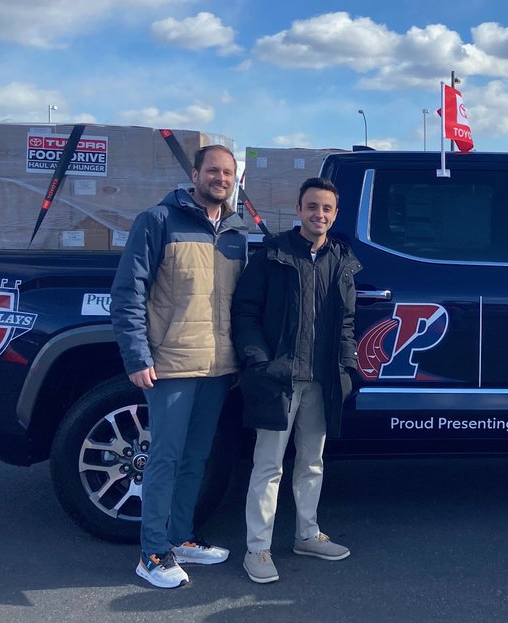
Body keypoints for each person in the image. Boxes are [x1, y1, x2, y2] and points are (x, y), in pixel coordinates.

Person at [111, 144, 246, 589]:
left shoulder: (234, 233)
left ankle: (181, 538)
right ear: (195, 173)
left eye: (227, 173)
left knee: (196, 457)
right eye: (213, 171)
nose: (220, 179)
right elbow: (128, 292)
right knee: (164, 458)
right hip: (171, 362)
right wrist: (137, 356)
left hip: (216, 365)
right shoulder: (158, 221)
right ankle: (151, 554)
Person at [232, 177, 361, 584]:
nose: (318, 214)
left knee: (312, 462)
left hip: (321, 381)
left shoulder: (341, 260)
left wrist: (345, 367)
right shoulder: (273, 254)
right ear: (298, 209)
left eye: (326, 208)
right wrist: (259, 361)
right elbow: (246, 313)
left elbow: (347, 322)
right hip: (280, 379)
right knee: (268, 466)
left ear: (335, 214)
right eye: (311, 207)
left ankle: (307, 534)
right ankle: (258, 549)